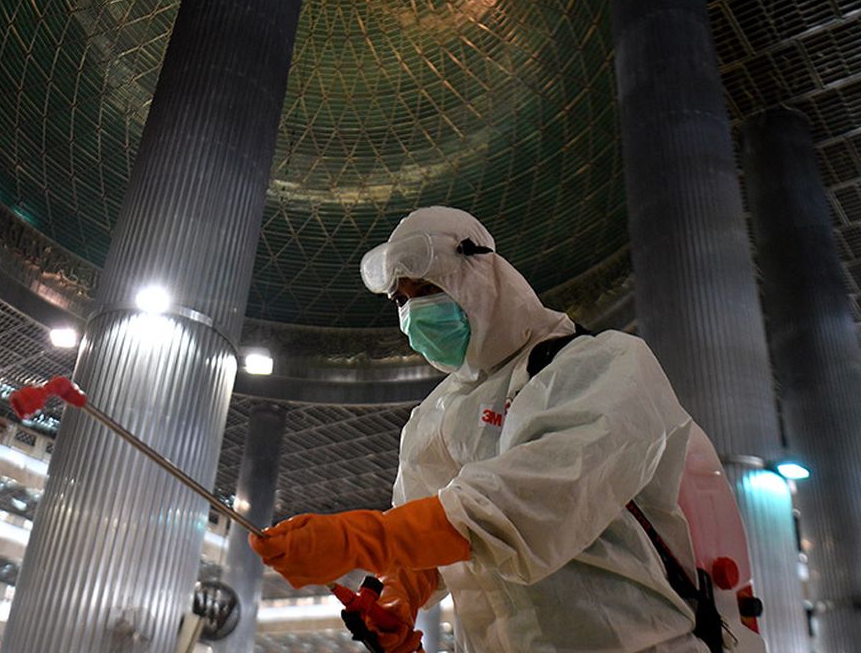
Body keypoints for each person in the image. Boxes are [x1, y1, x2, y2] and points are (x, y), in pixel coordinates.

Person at [250, 206, 706, 652]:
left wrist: (365, 539)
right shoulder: (432, 417)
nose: (412, 313)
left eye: (426, 289)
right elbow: (428, 537)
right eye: (401, 300)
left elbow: (530, 505)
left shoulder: (604, 364)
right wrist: (398, 596)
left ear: (480, 275)